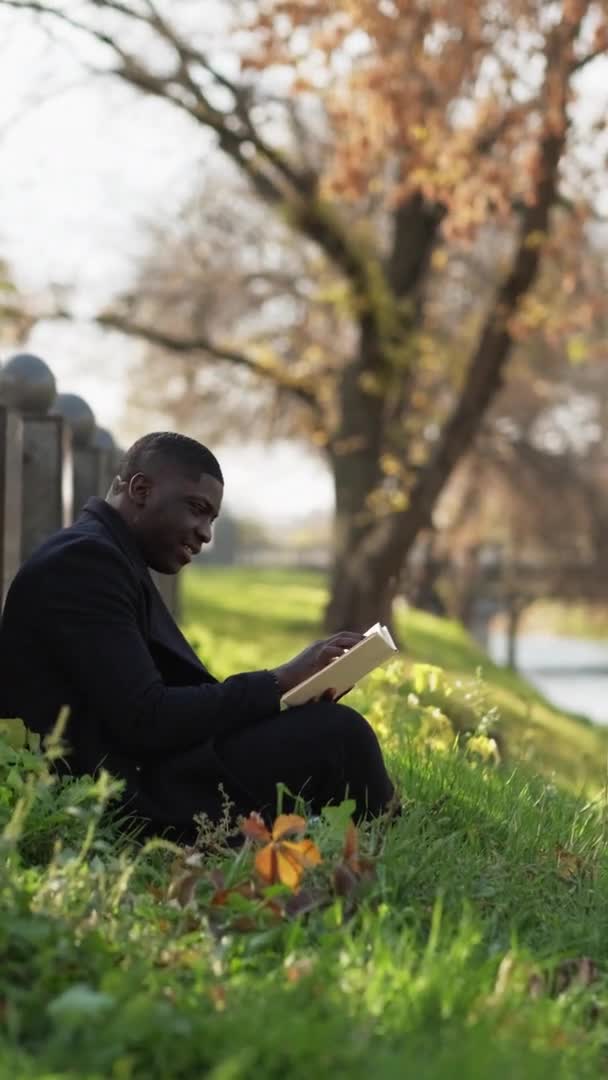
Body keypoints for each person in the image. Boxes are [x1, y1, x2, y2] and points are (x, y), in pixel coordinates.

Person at [0, 432, 395, 842]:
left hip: (144, 767)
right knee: (338, 734)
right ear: (140, 489)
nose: (205, 533)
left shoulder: (110, 557)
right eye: (197, 509)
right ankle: (380, 835)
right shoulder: (84, 563)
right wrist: (278, 681)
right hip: (116, 796)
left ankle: (365, 829)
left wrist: (287, 699)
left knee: (323, 726)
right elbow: (146, 719)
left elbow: (159, 703)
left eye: (211, 519)